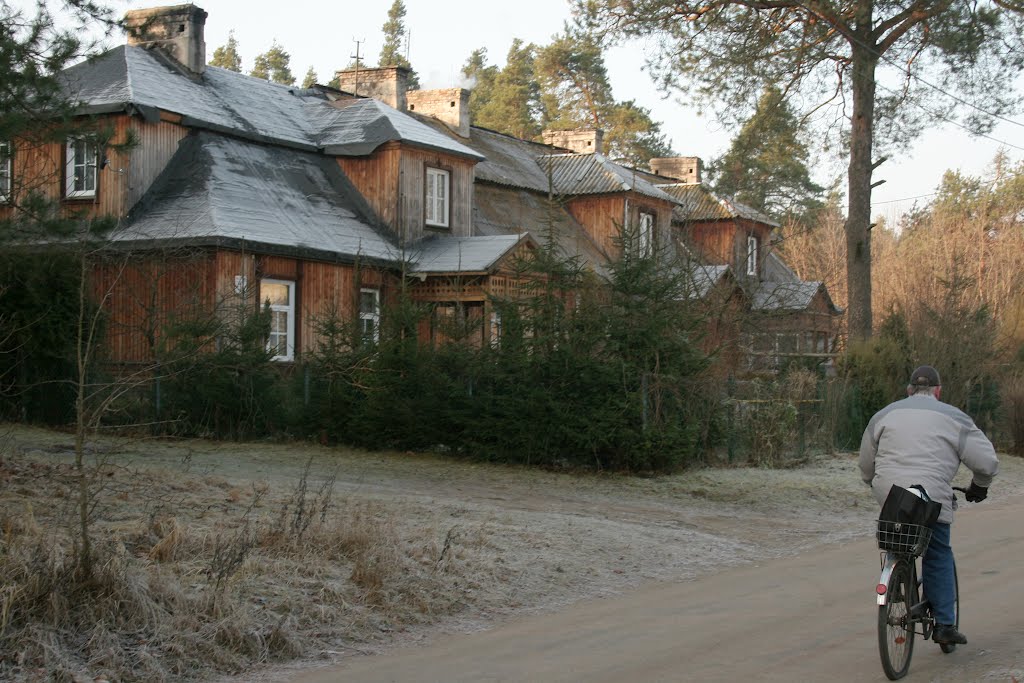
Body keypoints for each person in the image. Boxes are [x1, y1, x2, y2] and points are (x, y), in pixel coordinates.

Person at [859, 364, 999, 645]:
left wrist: (873, 481)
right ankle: (945, 624)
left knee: (898, 527)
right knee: (937, 552)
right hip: (931, 495)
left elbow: (866, 464)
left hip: (891, 492)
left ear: (909, 390)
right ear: (938, 391)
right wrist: (979, 487)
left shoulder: (884, 414)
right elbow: (986, 462)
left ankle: (896, 574)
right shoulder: (954, 417)